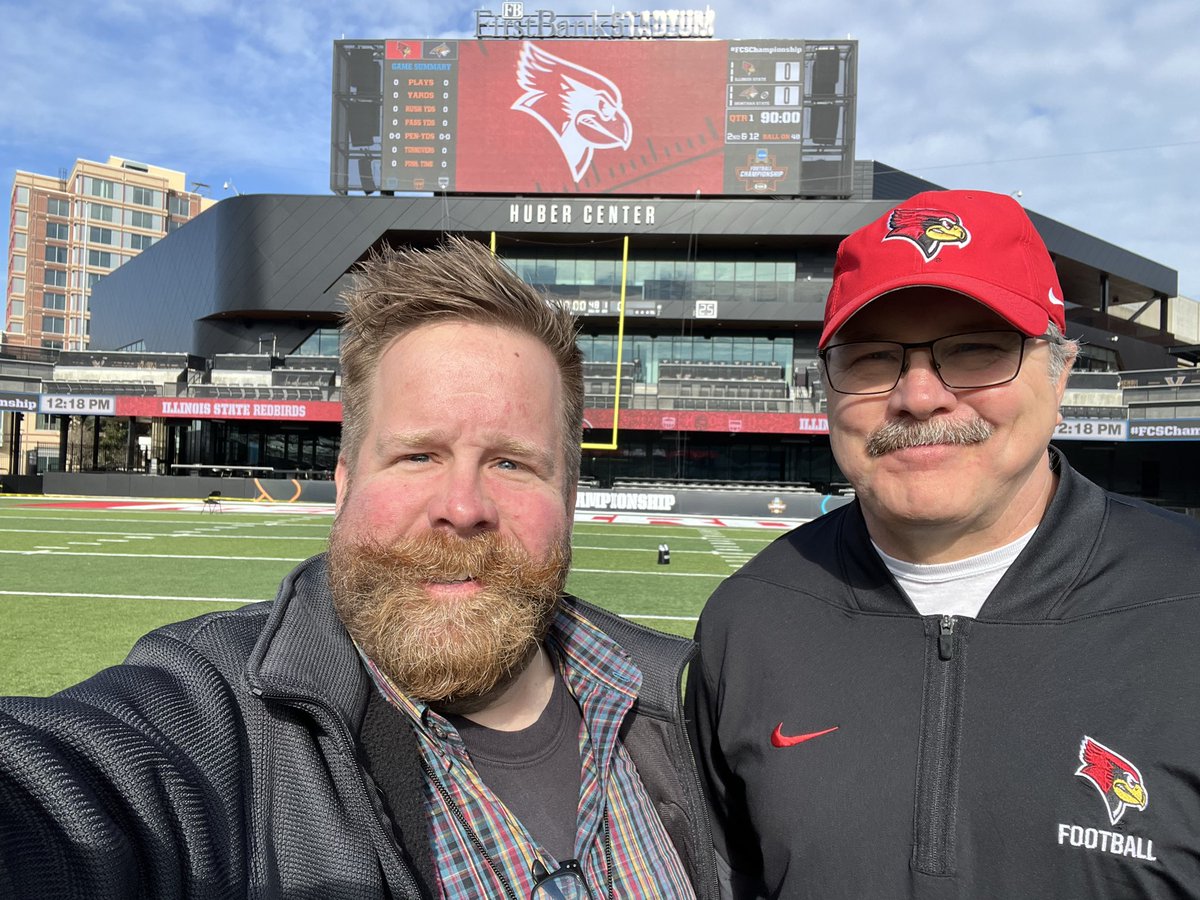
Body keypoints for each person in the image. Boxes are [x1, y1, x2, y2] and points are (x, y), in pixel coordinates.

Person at [0, 237, 718, 899]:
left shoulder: (694, 709)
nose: (461, 507)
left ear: (567, 496)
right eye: (417, 455)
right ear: (345, 481)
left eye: (510, 461)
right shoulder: (219, 717)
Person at [686, 190, 1200, 899]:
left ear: (1062, 376)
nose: (919, 396)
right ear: (826, 391)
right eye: (871, 358)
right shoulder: (747, 621)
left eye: (976, 350)